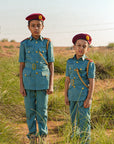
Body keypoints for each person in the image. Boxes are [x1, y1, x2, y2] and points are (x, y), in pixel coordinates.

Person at [19, 13, 54, 144]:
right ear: (28, 27)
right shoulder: (24, 44)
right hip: (28, 83)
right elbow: (21, 66)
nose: (36, 28)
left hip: (43, 82)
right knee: (29, 112)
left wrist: (51, 85)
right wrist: (21, 86)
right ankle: (33, 137)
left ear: (43, 27)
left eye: (38, 25)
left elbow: (51, 65)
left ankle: (43, 137)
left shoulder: (47, 43)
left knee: (42, 111)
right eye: (33, 26)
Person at [65, 33, 95, 144]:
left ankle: (85, 142)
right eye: (78, 45)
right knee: (74, 123)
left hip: (83, 98)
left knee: (84, 122)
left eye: (84, 46)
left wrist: (89, 98)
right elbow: (67, 80)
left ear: (87, 49)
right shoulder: (70, 62)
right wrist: (66, 96)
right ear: (74, 47)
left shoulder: (89, 64)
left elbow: (92, 82)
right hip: (72, 96)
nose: (81, 48)